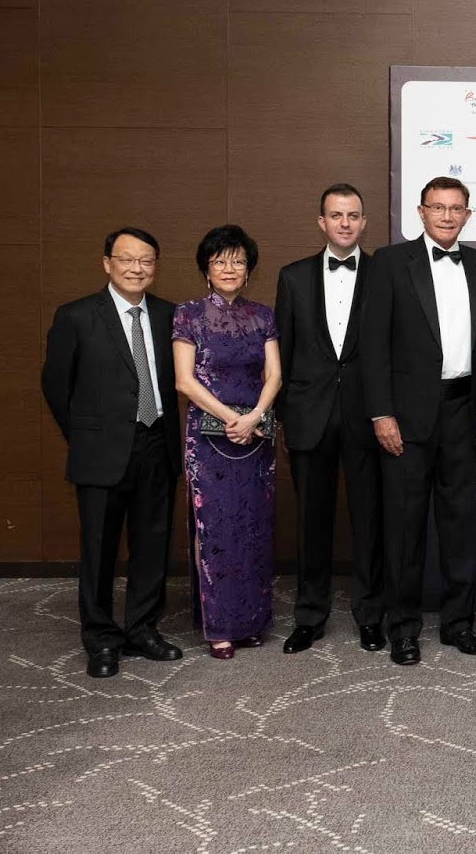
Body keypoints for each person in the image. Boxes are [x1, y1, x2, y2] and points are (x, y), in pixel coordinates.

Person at [361, 176, 476, 666]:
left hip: (464, 410)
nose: (446, 216)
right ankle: (403, 628)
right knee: (405, 525)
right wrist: (381, 412)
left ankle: (459, 623)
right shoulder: (390, 263)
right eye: (437, 207)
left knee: (461, 523)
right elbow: (373, 344)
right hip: (405, 415)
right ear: (420, 212)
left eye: (455, 208)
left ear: (467, 215)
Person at [42, 228, 184, 678]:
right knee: (99, 550)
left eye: (146, 260)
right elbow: (55, 386)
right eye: (127, 259)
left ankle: (142, 629)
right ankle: (101, 639)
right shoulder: (77, 316)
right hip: (100, 451)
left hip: (157, 443)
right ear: (107, 263)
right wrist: (85, 436)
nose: (136, 268)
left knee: (152, 545)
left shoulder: (169, 315)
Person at [274, 184, 385, 655]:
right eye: (336, 215)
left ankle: (371, 615)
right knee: (311, 522)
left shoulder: (384, 273)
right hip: (309, 414)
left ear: (364, 222)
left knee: (370, 521)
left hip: (368, 415)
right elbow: (281, 351)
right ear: (322, 222)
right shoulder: (293, 276)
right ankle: (309, 616)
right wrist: (283, 416)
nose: (345, 223)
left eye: (353, 215)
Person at [172, 225, 282, 660]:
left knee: (254, 527)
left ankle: (251, 621)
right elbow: (185, 381)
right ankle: (219, 626)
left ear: (249, 269)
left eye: (238, 261)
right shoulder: (188, 314)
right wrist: (229, 417)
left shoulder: (263, 315)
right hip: (209, 439)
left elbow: (274, 375)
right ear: (206, 269)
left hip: (255, 436)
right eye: (220, 261)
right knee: (216, 529)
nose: (229, 268)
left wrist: (253, 416)